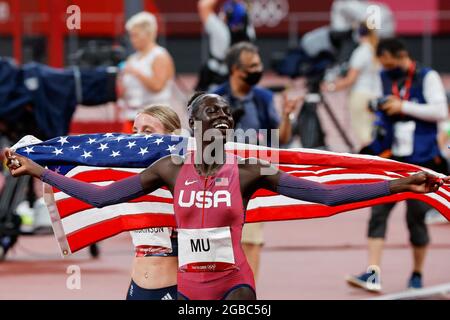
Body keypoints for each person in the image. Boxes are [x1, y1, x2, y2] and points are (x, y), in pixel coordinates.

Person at [5, 93, 447, 300]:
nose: (221, 116)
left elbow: (324, 196)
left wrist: (396, 186)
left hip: (235, 287)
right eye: (210, 111)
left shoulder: (253, 170)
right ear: (192, 126)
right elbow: (100, 197)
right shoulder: (168, 169)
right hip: (182, 294)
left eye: (225, 112)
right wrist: (40, 169)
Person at [346, 38, 449, 292]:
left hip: (422, 159)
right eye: (383, 64)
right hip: (392, 157)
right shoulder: (384, 76)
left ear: (401, 55)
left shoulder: (428, 77)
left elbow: (440, 112)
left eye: (390, 63)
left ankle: (417, 275)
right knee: (377, 212)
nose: (387, 68)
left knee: (416, 219)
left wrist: (402, 105)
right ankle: (373, 273)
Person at [213, 42, 300, 279]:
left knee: (251, 241)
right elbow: (201, 142)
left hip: (253, 180)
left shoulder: (262, 98)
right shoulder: (215, 98)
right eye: (252, 66)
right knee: (221, 242)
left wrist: (287, 115)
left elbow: (282, 138)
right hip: (219, 181)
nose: (258, 69)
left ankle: (248, 293)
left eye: (258, 64)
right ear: (235, 69)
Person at [127, 105, 181, 300]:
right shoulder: (129, 177)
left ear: (171, 137)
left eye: (148, 131)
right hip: (137, 288)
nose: (138, 138)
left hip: (173, 290)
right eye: (135, 131)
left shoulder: (186, 180)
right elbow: (96, 196)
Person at [323, 22, 381, 149]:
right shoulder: (376, 51)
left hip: (360, 97)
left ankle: (369, 166)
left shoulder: (361, 52)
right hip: (376, 95)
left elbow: (350, 80)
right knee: (372, 134)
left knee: (365, 137)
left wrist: (330, 87)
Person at [118, 12, 176, 133]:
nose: (132, 40)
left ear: (148, 34)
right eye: (131, 35)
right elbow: (122, 92)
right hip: (131, 116)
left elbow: (157, 85)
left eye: (136, 35)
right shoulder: (132, 58)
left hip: (154, 119)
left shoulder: (160, 56)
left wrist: (136, 73)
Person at [196, 0, 255, 91]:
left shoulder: (221, 31)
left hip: (217, 77)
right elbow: (246, 10)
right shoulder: (249, 32)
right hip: (240, 77)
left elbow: (203, 5)